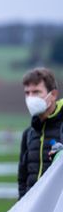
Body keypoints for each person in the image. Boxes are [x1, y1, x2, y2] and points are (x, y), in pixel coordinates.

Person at [18, 67, 63, 199]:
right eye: (27, 93)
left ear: (53, 95)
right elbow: (22, 179)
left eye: (36, 92)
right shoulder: (28, 134)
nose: (30, 98)